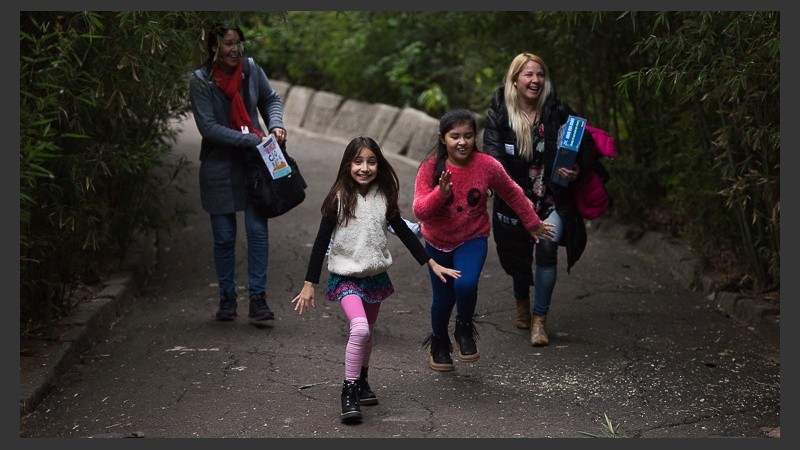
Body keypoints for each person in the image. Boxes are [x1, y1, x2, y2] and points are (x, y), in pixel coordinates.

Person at [291, 136, 460, 424]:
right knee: (359, 330)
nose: (364, 168)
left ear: (379, 165)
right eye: (358, 162)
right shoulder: (337, 199)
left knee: (367, 332)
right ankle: (348, 390)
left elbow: (404, 232)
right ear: (347, 165)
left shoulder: (384, 197)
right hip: (346, 276)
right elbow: (320, 242)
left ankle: (362, 379)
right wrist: (309, 283)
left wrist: (431, 262)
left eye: (371, 162)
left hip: (374, 277)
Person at [412, 109, 555, 372]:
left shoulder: (486, 165)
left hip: (472, 237)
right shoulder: (430, 168)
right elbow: (420, 211)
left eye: (468, 136)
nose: (462, 142)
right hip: (437, 242)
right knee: (443, 300)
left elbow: (512, 193)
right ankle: (439, 343)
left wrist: (532, 222)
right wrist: (440, 193)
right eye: (455, 136)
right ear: (443, 138)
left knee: (466, 284)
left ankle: (464, 327)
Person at [483, 52, 598, 346]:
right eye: (528, 75)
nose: (535, 80)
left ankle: (539, 319)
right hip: (515, 199)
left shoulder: (557, 110)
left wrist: (577, 168)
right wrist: (514, 198)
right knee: (517, 254)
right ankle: (521, 299)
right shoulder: (499, 113)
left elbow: (586, 144)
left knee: (547, 249)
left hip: (552, 198)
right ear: (515, 80)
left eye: (540, 74)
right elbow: (493, 159)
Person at [188, 22, 288, 323]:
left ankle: (258, 299)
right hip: (219, 166)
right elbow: (209, 128)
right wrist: (251, 139)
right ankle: (227, 298)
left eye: (237, 43)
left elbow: (271, 99)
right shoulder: (200, 80)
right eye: (228, 44)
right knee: (224, 236)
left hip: (254, 165)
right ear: (214, 47)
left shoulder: (251, 69)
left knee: (257, 231)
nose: (234, 50)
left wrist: (275, 125)